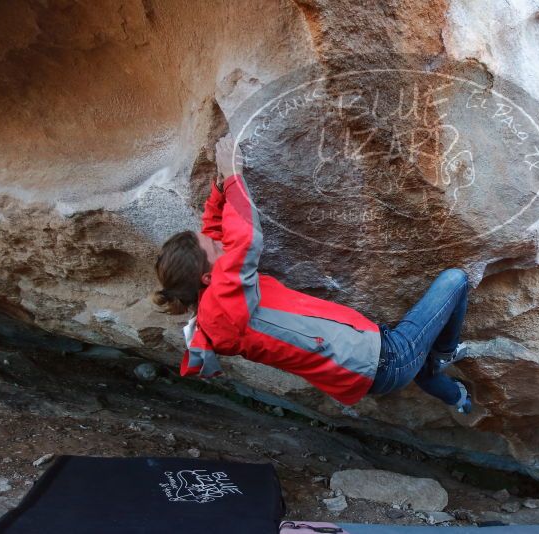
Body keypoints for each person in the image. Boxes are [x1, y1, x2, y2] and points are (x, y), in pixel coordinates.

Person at [152, 134, 472, 413]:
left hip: (371, 360)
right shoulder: (223, 306)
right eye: (211, 247)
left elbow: (215, 234)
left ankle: (458, 398)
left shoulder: (217, 302)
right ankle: (444, 353)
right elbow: (246, 241)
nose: (215, 239)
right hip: (383, 360)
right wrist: (233, 175)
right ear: (207, 278)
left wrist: (220, 188)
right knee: (455, 279)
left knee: (423, 368)